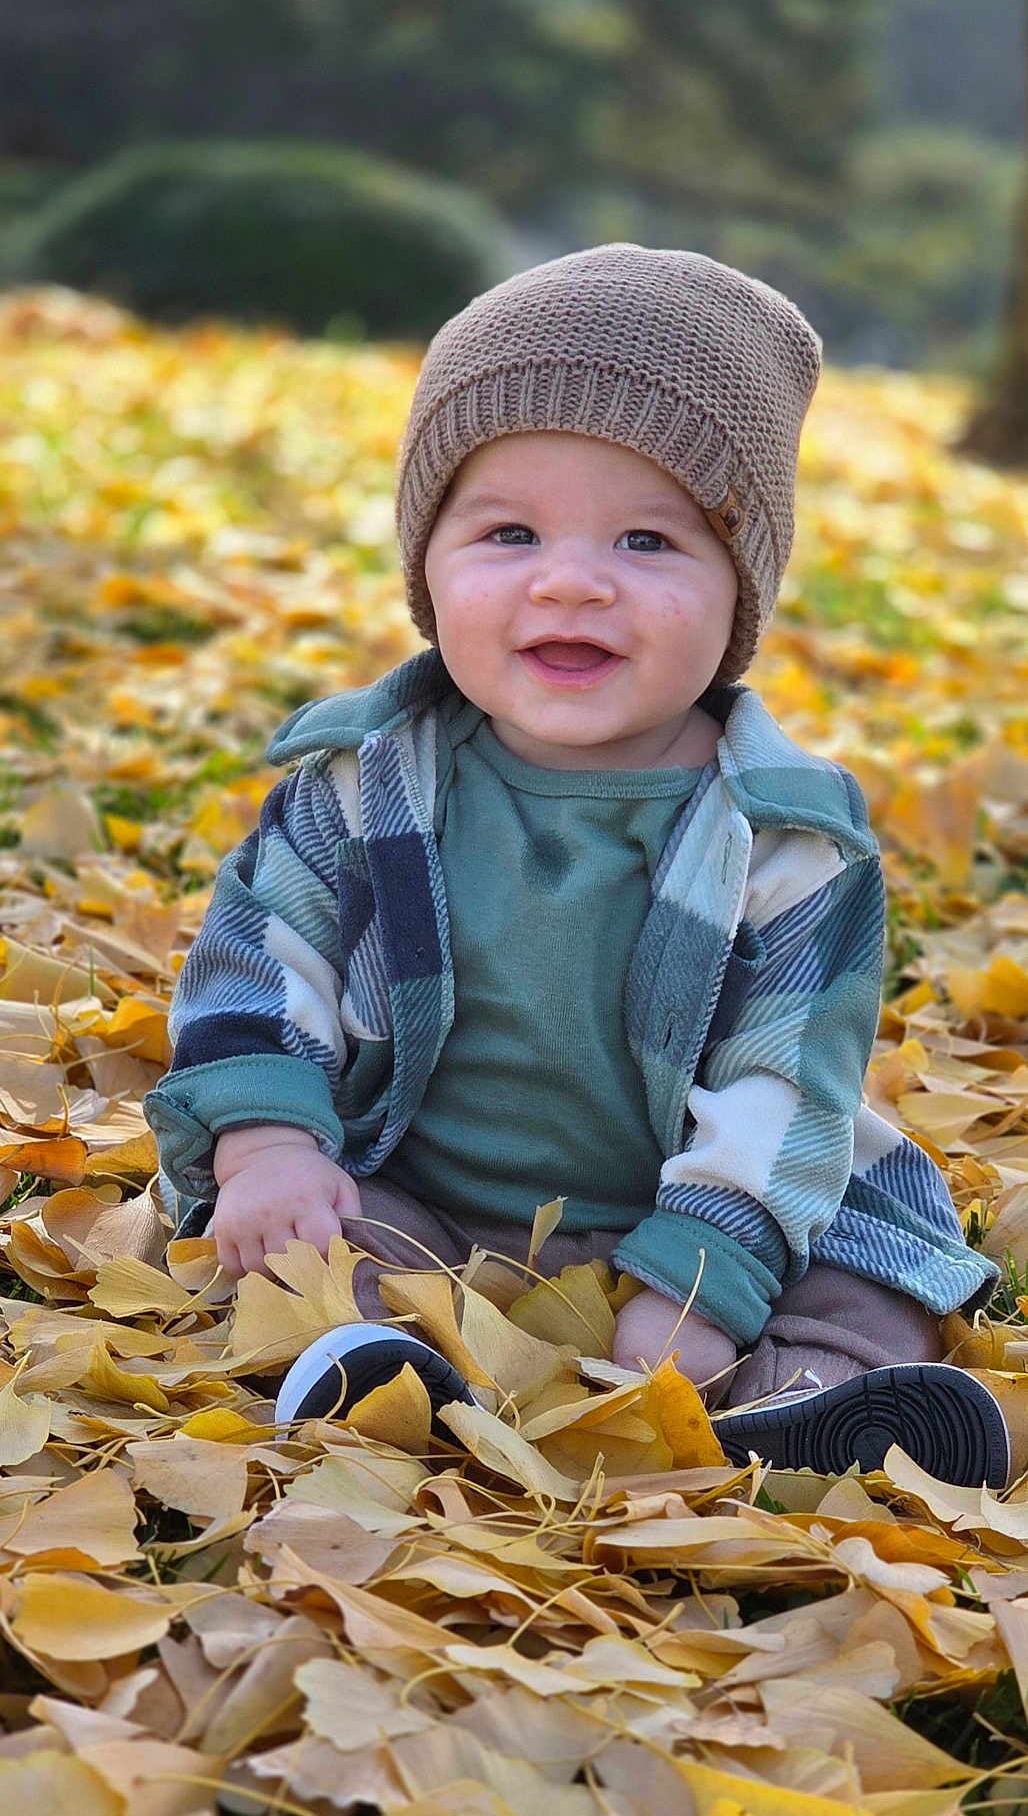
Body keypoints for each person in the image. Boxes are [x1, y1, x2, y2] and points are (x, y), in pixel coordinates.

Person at [144, 244, 1007, 1484]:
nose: (569, 580)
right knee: (311, 1234)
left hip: (721, 1214)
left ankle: (807, 1400)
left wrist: (697, 1283)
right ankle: (387, 1360)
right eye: (508, 531)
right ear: (426, 565)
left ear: (740, 590)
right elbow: (255, 967)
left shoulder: (782, 837)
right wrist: (267, 1144)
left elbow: (786, 1091)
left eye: (648, 541)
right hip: (431, 1190)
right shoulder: (361, 783)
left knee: (861, 1270)